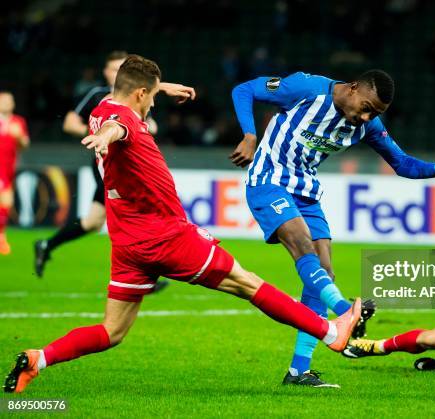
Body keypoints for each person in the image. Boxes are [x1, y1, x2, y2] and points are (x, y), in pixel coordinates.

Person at [3, 55, 362, 394]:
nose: (153, 105)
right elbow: (120, 126)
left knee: (111, 331)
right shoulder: (120, 121)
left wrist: (161, 87)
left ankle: (39, 359)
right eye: (151, 97)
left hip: (127, 242)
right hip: (165, 235)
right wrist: (108, 135)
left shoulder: (101, 108)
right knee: (249, 284)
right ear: (140, 93)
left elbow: (124, 103)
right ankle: (332, 332)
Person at [230, 70, 435, 387]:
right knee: (302, 245)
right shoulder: (306, 88)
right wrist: (250, 135)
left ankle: (298, 371)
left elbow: (401, 163)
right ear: (352, 89)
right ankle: (344, 310)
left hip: (306, 191)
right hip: (268, 181)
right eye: (365, 107)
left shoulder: (368, 125)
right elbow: (244, 90)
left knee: (324, 273)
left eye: (374, 113)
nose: (366, 116)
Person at [34, 51, 160, 289]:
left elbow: (150, 125)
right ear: (105, 72)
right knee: (132, 215)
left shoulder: (136, 96)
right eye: (113, 69)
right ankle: (139, 276)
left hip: (128, 164)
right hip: (107, 163)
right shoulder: (97, 95)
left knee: (93, 222)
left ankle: (46, 245)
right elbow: (69, 123)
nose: (117, 73)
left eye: (121, 68)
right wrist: (99, 136)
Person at [0, 91, 29, 255]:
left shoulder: (18, 121)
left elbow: (25, 144)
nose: (7, 103)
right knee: (5, 200)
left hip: (9, 168)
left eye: (10, 101)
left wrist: (19, 137)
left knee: (6, 204)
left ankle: (1, 236)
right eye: (4, 101)